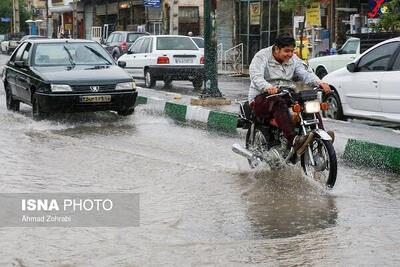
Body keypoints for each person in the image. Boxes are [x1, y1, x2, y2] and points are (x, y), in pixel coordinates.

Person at [248, 33, 333, 155]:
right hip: (261, 97)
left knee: (308, 103)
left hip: (285, 93)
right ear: (277, 49)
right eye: (286, 51)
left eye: (292, 51)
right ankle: (293, 140)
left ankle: (320, 136)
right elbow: (256, 76)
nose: (289, 54)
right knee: (279, 103)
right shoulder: (261, 57)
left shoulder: (293, 59)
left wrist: (320, 82)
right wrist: (268, 87)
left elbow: (305, 73)